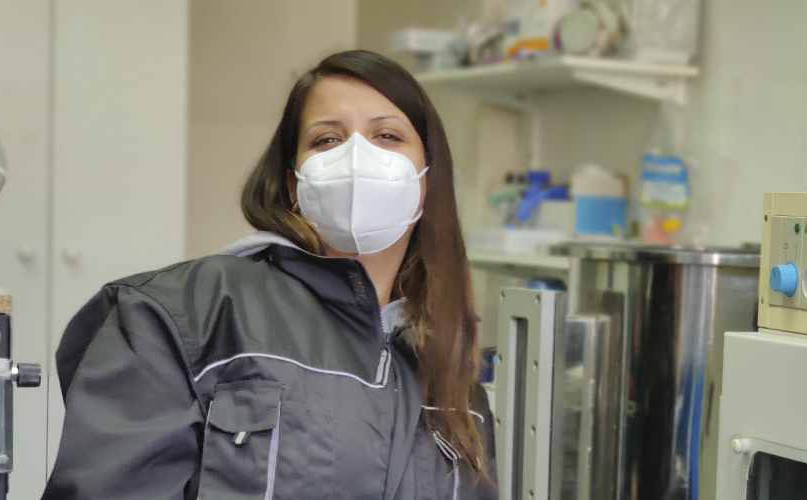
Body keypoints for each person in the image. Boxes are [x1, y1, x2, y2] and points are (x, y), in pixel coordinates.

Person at [41, 50, 497, 499]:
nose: (359, 157)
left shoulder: (450, 370)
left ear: (426, 179)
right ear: (294, 186)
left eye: (387, 136)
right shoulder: (183, 314)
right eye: (327, 140)